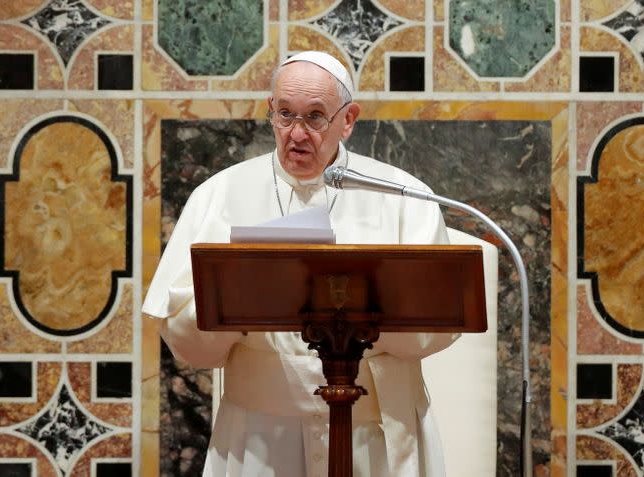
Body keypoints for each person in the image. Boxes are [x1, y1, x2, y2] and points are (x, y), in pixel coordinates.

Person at [142, 51, 458, 477]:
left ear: (348, 120)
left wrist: (365, 313)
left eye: (315, 117)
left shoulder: (402, 196)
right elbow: (184, 339)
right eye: (285, 114)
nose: (296, 133)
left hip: (375, 434)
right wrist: (239, 299)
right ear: (270, 111)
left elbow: (438, 322)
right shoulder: (218, 195)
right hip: (261, 439)